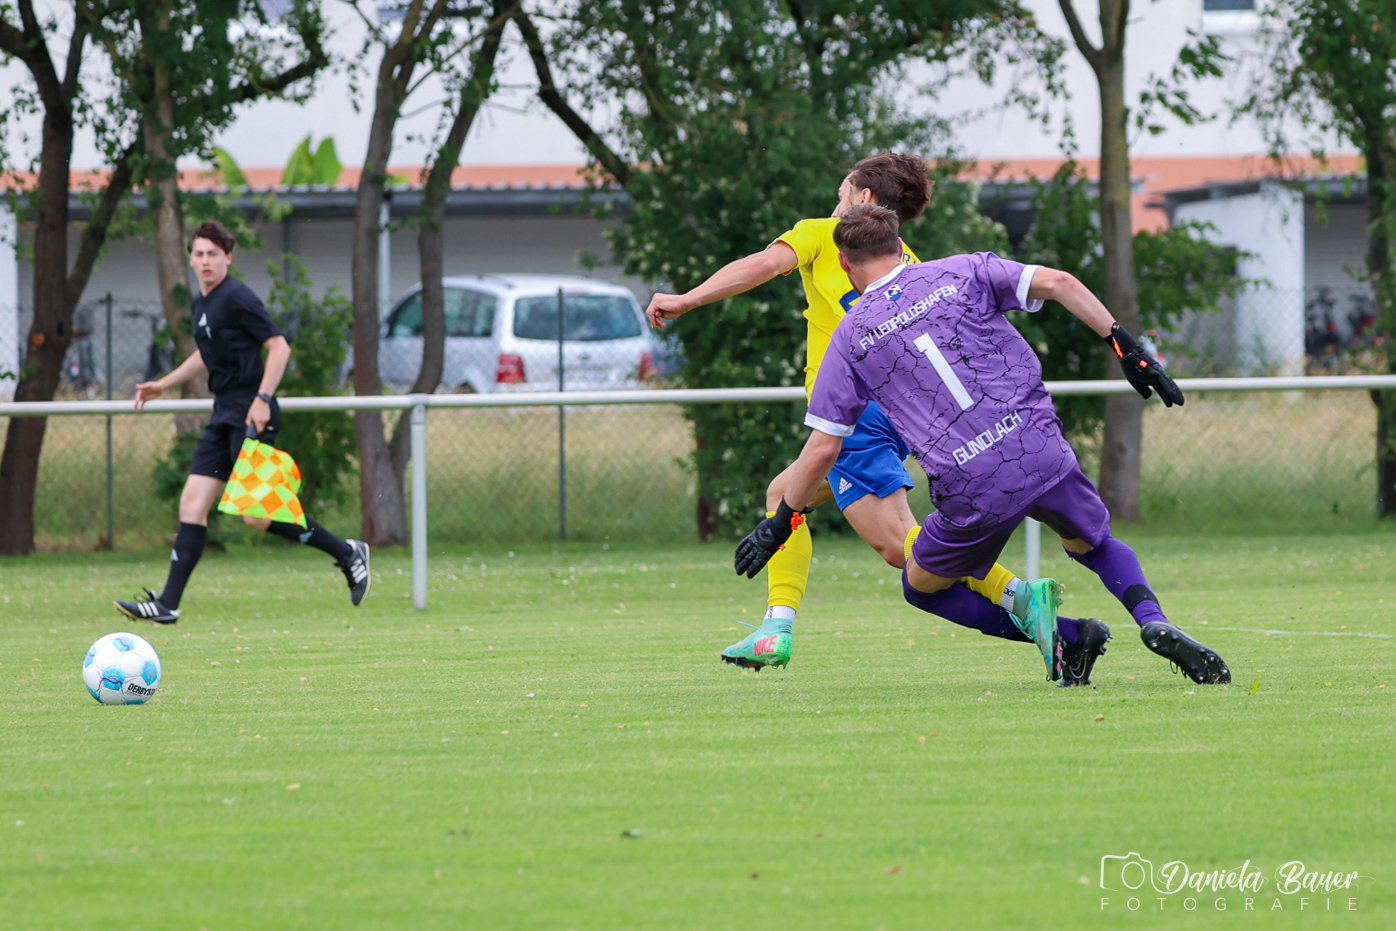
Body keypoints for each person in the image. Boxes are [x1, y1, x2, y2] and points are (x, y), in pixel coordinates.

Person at [733, 204, 1231, 686]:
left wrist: (781, 521)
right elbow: (1060, 282)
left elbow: (823, 448)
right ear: (900, 246)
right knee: (1094, 543)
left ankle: (1067, 637)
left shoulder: (849, 337)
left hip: (972, 481)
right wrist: (1127, 347)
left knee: (921, 585)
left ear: (844, 263)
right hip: (1037, 446)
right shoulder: (961, 270)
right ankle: (1152, 619)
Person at [647, 154, 1053, 670]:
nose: (835, 203)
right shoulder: (907, 260)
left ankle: (1019, 594)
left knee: (900, 546)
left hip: (853, 417)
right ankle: (776, 627)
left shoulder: (823, 234)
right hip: (899, 412)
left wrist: (688, 299)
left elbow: (761, 265)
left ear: (863, 197)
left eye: (842, 193)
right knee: (784, 495)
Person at [113, 220, 370, 625]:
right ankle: (168, 604)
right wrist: (163, 384)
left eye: (213, 254)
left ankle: (348, 553)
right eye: (198, 254)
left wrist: (263, 399)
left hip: (251, 414)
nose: (205, 261)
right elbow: (207, 354)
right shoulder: (202, 304)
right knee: (192, 503)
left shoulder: (237, 297)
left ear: (228, 258)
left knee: (257, 515)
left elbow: (279, 347)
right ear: (191, 260)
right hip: (223, 414)